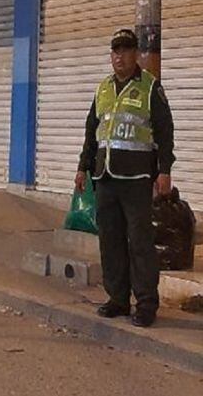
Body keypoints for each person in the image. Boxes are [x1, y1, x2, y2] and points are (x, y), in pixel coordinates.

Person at [75, 28, 174, 328]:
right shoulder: (103, 88)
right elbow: (92, 132)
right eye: (115, 51)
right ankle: (118, 298)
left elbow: (164, 130)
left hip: (137, 177)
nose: (120, 56)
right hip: (105, 177)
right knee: (110, 240)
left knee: (140, 243)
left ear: (135, 54)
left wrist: (165, 170)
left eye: (126, 50)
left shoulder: (149, 87)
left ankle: (145, 304)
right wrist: (82, 167)